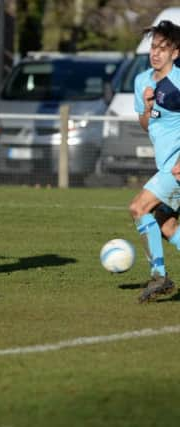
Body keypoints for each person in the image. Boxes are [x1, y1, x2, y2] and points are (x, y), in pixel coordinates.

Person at [129, 20, 180, 303]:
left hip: (177, 167)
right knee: (166, 224)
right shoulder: (142, 81)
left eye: (163, 48)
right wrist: (148, 107)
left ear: (175, 53)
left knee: (138, 207)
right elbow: (147, 125)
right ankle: (160, 277)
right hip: (166, 166)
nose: (156, 53)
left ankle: (158, 276)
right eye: (153, 47)